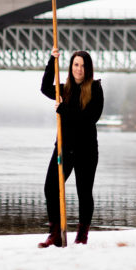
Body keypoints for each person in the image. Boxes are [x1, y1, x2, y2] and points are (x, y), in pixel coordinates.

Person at [38, 48, 104, 247]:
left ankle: (82, 235)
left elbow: (91, 118)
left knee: (84, 192)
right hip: (64, 148)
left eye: (83, 65)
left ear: (88, 68)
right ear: (71, 67)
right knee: (51, 187)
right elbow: (44, 88)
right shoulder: (63, 89)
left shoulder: (95, 88)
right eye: (76, 64)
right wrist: (52, 60)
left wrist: (64, 110)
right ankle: (55, 233)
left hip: (86, 150)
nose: (79, 69)